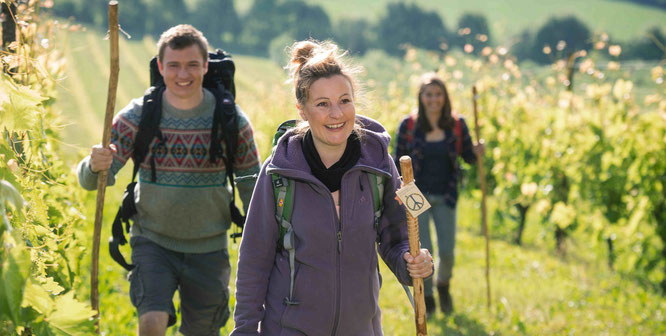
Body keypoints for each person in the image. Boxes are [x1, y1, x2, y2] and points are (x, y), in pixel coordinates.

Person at [231, 40, 433, 335]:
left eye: (344, 100)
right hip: (289, 327)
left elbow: (398, 238)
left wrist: (411, 262)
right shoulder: (279, 173)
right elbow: (254, 261)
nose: (336, 114)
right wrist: (245, 329)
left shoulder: (379, 164)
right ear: (302, 110)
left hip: (360, 327)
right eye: (322, 104)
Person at [77, 24, 260, 335]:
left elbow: (250, 180)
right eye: (173, 65)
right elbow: (92, 180)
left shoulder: (230, 120)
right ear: (160, 67)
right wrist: (95, 165)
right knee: (151, 323)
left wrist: (262, 238)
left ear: (205, 66)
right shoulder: (138, 116)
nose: (182, 74)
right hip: (152, 241)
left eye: (191, 65)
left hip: (209, 247)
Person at [393, 73, 484, 315]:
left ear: (445, 97)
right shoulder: (409, 126)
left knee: (447, 251)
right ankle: (430, 296)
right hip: (416, 196)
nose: (434, 99)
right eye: (429, 94)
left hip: (447, 194)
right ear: (421, 97)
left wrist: (477, 151)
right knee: (424, 250)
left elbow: (468, 157)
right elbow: (396, 163)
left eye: (438, 94)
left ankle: (443, 285)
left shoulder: (456, 124)